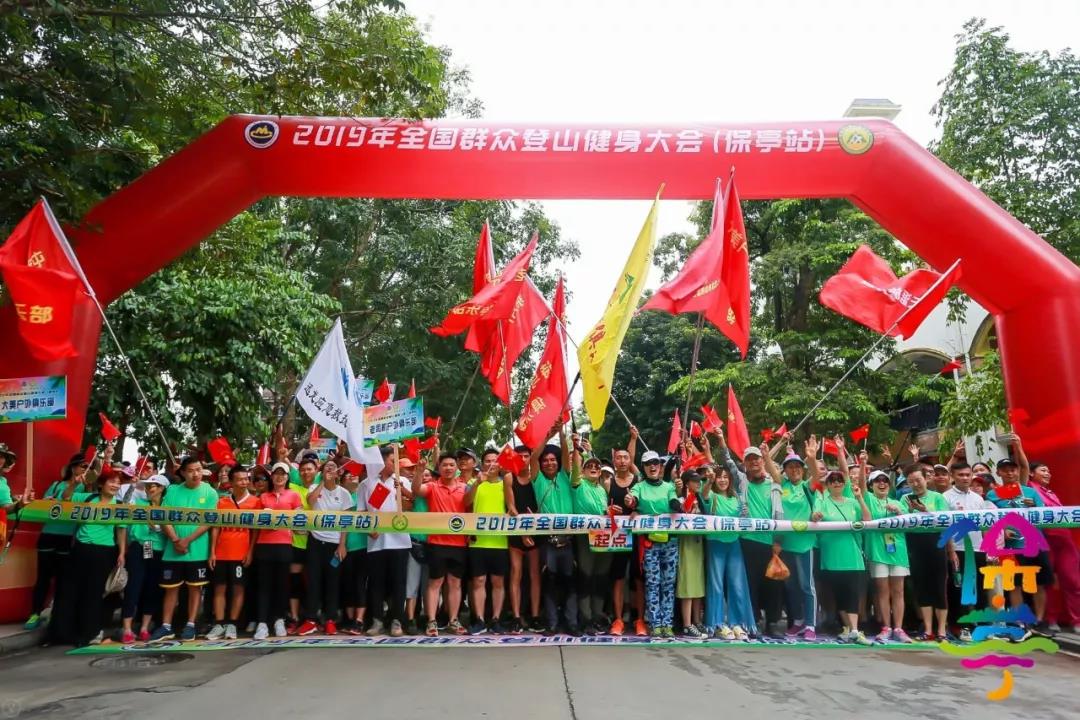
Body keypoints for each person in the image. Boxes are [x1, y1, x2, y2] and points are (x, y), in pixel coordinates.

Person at [27, 448, 106, 631]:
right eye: (83, 466)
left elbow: (86, 503)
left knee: (62, 579)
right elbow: (50, 501)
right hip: (49, 533)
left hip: (68, 537)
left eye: (88, 467)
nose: (85, 469)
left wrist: (89, 483)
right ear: (73, 468)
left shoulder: (88, 490)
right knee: (43, 577)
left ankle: (56, 615)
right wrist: (47, 500)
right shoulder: (57, 485)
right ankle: (35, 613)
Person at [715, 430, 783, 637]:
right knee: (750, 584)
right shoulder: (742, 482)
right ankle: (753, 622)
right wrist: (721, 440)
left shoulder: (774, 483)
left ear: (763, 461)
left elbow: (779, 513)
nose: (754, 462)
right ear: (744, 464)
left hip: (770, 543)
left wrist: (778, 540)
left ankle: (773, 622)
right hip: (747, 541)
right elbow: (728, 461)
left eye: (757, 458)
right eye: (749, 459)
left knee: (773, 584)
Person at [50, 468, 127, 647]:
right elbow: (66, 498)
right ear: (101, 484)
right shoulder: (87, 498)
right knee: (71, 591)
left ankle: (88, 634)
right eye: (111, 481)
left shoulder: (120, 505)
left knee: (93, 594)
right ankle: (63, 634)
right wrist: (74, 484)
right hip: (80, 549)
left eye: (118, 483)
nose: (115, 485)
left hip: (104, 552)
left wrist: (122, 553)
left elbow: (121, 530)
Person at [986, 439, 1054, 633]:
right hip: (1011, 546)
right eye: (1005, 470)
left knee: (1039, 582)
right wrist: (1002, 530)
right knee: (1014, 584)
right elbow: (991, 520)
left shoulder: (1030, 492)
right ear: (998, 473)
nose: (1010, 473)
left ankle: (1039, 620)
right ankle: (1020, 622)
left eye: (1013, 470)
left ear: (1018, 472)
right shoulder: (992, 495)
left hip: (1035, 543)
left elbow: (1045, 515)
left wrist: (1034, 507)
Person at [150, 456, 219, 642]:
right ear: (182, 472)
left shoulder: (210, 492)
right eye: (191, 470)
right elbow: (164, 517)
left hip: (197, 550)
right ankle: (166, 626)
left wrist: (187, 540)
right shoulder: (173, 491)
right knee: (171, 589)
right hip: (172, 550)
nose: (195, 474)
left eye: (198, 470)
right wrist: (175, 540)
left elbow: (209, 521)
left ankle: (190, 625)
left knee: (195, 588)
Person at [811, 470, 872, 645]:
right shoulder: (822, 500)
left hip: (853, 557)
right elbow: (815, 516)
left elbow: (867, 519)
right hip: (832, 557)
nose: (836, 483)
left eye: (839, 480)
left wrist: (860, 498)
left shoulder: (853, 502)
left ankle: (854, 630)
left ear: (844, 484)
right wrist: (816, 516)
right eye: (832, 480)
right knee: (838, 596)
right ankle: (849, 629)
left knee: (852, 595)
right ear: (828, 485)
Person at [625, 449, 681, 637]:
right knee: (653, 583)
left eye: (655, 463)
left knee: (669, 583)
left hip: (670, 542)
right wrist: (630, 501)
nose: (652, 466)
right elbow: (632, 500)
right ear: (644, 467)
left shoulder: (669, 486)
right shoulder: (639, 487)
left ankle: (667, 624)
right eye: (648, 464)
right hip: (649, 543)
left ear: (660, 466)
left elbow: (674, 503)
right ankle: (655, 623)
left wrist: (679, 498)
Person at [529, 426, 578, 635]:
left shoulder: (565, 477)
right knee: (549, 582)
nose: (549, 463)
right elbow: (533, 458)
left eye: (553, 460)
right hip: (547, 541)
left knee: (570, 582)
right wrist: (547, 435)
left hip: (568, 541)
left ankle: (572, 623)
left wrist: (561, 435)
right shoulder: (538, 480)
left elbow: (566, 456)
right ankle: (551, 623)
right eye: (546, 460)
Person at [413, 448, 467, 636]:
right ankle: (431, 621)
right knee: (435, 583)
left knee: (455, 583)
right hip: (437, 543)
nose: (448, 468)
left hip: (459, 544)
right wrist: (419, 472)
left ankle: (453, 620)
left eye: (452, 465)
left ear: (457, 467)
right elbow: (416, 490)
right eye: (444, 465)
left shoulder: (464, 488)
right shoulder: (433, 486)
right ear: (439, 467)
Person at [770, 435, 818, 641]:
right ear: (785, 470)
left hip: (805, 544)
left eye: (798, 466)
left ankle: (810, 625)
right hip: (786, 544)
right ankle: (798, 621)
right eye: (790, 467)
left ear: (802, 469)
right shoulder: (783, 486)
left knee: (807, 586)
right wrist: (767, 454)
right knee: (791, 586)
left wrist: (812, 458)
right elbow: (771, 470)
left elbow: (817, 477)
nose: (794, 470)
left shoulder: (807, 487)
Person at [701, 461, 756, 641]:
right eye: (719, 477)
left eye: (726, 477)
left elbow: (744, 520)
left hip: (734, 544)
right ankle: (717, 624)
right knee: (716, 585)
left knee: (738, 584)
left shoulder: (737, 499)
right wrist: (709, 481)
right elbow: (704, 494)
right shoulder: (712, 496)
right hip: (715, 544)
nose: (723, 480)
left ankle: (738, 623)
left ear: (730, 480)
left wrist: (745, 514)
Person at [943, 461, 996, 641]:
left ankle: (982, 626)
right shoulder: (946, 498)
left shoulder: (978, 499)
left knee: (980, 588)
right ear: (953, 476)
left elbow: (985, 525)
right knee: (958, 589)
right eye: (961, 475)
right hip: (957, 549)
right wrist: (950, 551)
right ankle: (959, 627)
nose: (965, 478)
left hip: (978, 549)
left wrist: (989, 549)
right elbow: (945, 527)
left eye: (968, 475)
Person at [362, 446, 412, 636]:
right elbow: (362, 511)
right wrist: (369, 529)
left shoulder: (402, 481)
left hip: (400, 541)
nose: (396, 464)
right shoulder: (367, 483)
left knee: (399, 583)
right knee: (376, 583)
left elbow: (411, 505)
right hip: (376, 542)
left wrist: (402, 491)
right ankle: (377, 620)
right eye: (392, 460)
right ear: (381, 462)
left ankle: (397, 621)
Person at [206, 465, 259, 640]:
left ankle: (232, 624)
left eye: (246, 479)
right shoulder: (222, 502)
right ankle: (219, 623)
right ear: (231, 482)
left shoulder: (255, 502)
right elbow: (216, 528)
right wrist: (212, 552)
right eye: (240, 479)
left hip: (241, 553)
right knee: (219, 588)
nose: (244, 482)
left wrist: (250, 552)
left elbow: (255, 531)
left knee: (238, 588)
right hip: (221, 552)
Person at [903, 465, 956, 641]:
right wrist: (909, 510)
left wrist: (924, 511)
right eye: (911, 482)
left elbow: (945, 521)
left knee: (939, 587)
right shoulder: (905, 498)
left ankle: (941, 630)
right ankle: (927, 629)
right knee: (921, 587)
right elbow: (902, 519)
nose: (915, 484)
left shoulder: (937, 497)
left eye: (918, 480)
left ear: (926, 478)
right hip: (915, 544)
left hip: (936, 543)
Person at [251, 462, 302, 640]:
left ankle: (279, 620)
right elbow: (256, 523)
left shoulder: (294, 496)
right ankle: (262, 623)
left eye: (283, 474)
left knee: (281, 585)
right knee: (264, 586)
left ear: (287, 477)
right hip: (264, 545)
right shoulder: (263, 497)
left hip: (284, 545)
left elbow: (300, 521)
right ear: (271, 477)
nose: (279, 477)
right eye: (276, 474)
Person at [1028, 461, 1080, 633]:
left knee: (1073, 581)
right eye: (1043, 470)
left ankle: (1077, 621)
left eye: (1049, 471)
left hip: (1064, 540)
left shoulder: (1051, 493)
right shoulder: (1029, 489)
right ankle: (1051, 619)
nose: (1047, 473)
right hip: (1045, 540)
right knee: (1049, 582)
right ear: (1031, 473)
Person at [464, 448, 512, 634]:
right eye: (487, 461)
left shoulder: (505, 484)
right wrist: (477, 483)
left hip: (500, 541)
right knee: (478, 580)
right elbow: (466, 502)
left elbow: (512, 507)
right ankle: (480, 619)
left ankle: (496, 619)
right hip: (478, 542)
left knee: (498, 581)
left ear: (500, 464)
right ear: (482, 464)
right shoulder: (473, 482)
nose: (491, 464)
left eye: (495, 460)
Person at [863, 469, 912, 643]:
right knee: (882, 591)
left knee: (898, 591)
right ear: (871, 485)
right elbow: (860, 486)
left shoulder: (898, 502)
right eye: (877, 481)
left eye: (885, 480)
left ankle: (898, 628)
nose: (882, 483)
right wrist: (863, 464)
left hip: (898, 552)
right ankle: (886, 627)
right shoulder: (868, 499)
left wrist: (898, 511)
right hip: (877, 552)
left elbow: (909, 522)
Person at [121, 473, 168, 643]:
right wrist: (132, 487)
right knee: (133, 586)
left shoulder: (168, 507)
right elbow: (124, 504)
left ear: (161, 489)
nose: (148, 489)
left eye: (152, 486)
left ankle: (144, 628)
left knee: (152, 588)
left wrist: (159, 528)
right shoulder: (140, 503)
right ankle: (127, 629)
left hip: (158, 550)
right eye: (147, 486)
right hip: (139, 547)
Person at [608, 426, 645, 636]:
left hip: (638, 537)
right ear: (614, 461)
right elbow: (603, 507)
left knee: (639, 579)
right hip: (617, 537)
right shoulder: (608, 482)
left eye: (625, 457)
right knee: (618, 578)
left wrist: (637, 510)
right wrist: (609, 511)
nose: (622, 461)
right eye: (619, 458)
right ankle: (618, 620)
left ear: (630, 460)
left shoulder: (638, 481)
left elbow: (645, 505)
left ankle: (640, 620)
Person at [570, 444, 610, 636]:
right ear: (583, 471)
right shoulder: (578, 484)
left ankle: (597, 616)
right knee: (585, 576)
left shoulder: (602, 490)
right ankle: (585, 618)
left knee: (600, 577)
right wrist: (578, 450)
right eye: (589, 466)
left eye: (597, 466)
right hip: (584, 537)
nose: (593, 468)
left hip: (603, 536)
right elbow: (575, 467)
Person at [508, 447, 543, 634]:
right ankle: (516, 617)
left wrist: (548, 437)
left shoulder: (535, 476)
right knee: (516, 573)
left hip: (536, 529)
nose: (522, 459)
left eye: (526, 456)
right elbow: (511, 507)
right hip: (516, 530)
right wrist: (522, 531)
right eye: (519, 456)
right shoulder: (509, 478)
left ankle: (535, 616)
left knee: (535, 574)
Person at [286, 454, 320, 631]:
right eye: (303, 470)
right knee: (295, 581)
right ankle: (294, 617)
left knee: (314, 582)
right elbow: (279, 478)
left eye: (310, 469)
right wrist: (283, 457)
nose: (306, 472)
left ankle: (315, 617)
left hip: (318, 543)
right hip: (297, 543)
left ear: (316, 470)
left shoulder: (323, 488)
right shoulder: (293, 488)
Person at [675, 469, 706, 638]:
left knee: (698, 583)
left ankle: (697, 620)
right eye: (695, 481)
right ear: (687, 483)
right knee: (687, 583)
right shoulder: (681, 498)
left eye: (699, 480)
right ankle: (687, 624)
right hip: (685, 544)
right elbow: (681, 513)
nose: (698, 483)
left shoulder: (699, 498)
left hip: (698, 545)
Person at [339, 465, 369, 635]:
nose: (352, 476)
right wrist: (342, 544)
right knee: (348, 584)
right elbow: (342, 522)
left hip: (364, 546)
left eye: (354, 474)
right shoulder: (342, 496)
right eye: (348, 475)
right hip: (345, 547)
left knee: (360, 583)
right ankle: (349, 619)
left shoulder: (364, 495)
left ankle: (359, 620)